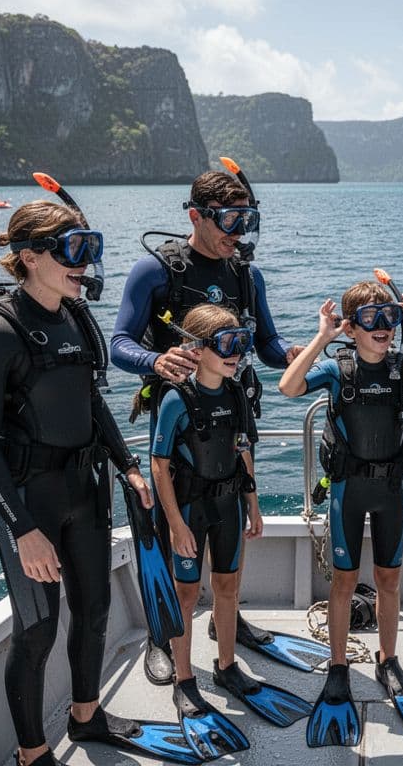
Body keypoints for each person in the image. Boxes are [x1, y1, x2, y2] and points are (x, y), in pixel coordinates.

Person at [0, 200, 156, 766]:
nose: (86, 264)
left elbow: (91, 401)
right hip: (31, 504)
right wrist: (23, 530)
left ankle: (86, 717)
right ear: (29, 257)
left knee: (94, 611)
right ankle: (32, 752)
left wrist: (128, 465)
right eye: (74, 251)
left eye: (90, 247)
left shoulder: (75, 317)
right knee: (38, 630)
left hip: (87, 490)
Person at [110, 169, 305, 684]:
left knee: (228, 539)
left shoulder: (247, 274)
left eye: (247, 219)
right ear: (196, 216)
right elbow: (119, 345)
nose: (238, 231)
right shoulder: (155, 272)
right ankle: (163, 639)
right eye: (229, 220)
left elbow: (266, 344)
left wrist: (296, 354)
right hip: (180, 428)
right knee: (179, 547)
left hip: (234, 420)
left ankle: (228, 624)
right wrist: (156, 361)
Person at [278, 282, 403, 745]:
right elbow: (289, 388)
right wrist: (323, 337)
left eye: (389, 317)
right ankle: (339, 666)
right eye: (370, 319)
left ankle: (388, 661)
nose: (383, 327)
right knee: (344, 582)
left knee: (389, 580)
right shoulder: (336, 369)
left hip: (390, 491)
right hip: (348, 489)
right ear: (352, 326)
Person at [150, 303, 306, 757]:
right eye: (227, 345)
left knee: (228, 588)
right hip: (190, 511)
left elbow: (242, 448)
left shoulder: (237, 394)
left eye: (241, 344)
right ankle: (184, 678)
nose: (237, 353)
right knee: (184, 593)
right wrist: (176, 523)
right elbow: (160, 466)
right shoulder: (177, 398)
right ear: (197, 350)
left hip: (229, 505)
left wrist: (253, 503)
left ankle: (226, 665)